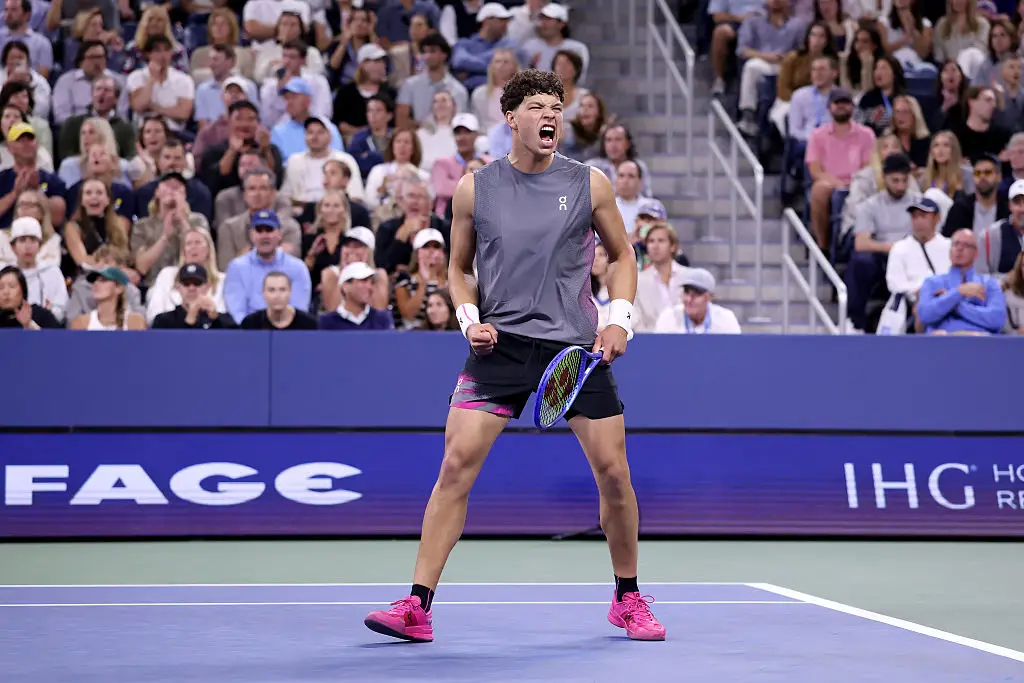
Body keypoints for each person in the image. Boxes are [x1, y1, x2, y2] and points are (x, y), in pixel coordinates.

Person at [362, 69, 663, 643]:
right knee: (455, 466)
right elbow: (458, 269)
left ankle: (628, 598)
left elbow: (624, 257)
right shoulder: (477, 188)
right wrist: (468, 320)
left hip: (573, 350)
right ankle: (417, 605)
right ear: (512, 118)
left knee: (615, 474)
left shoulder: (589, 184)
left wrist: (619, 320)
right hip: (499, 347)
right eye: (539, 107)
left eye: (557, 107)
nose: (551, 115)